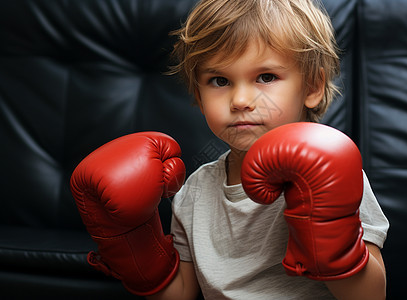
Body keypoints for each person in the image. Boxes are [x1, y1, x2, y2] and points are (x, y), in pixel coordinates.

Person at [70, 0, 389, 299]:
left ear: (312, 87)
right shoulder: (194, 191)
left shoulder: (332, 176)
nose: (240, 101)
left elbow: (372, 295)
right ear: (198, 94)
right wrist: (132, 242)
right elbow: (182, 293)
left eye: (266, 77)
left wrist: (334, 250)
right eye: (219, 81)